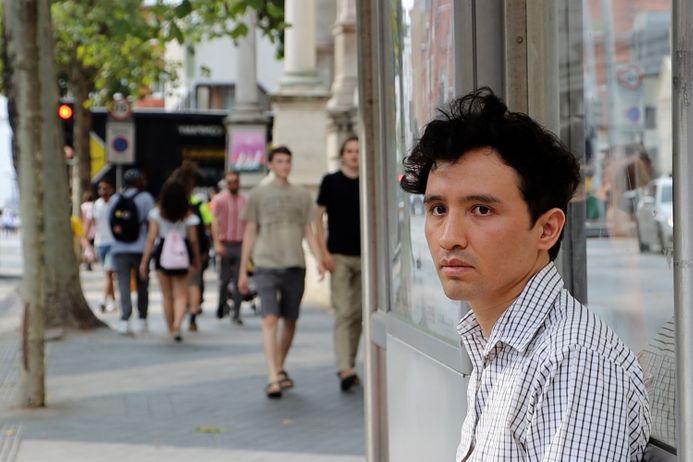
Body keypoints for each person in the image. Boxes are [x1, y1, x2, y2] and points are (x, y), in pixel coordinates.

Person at [399, 88, 650, 461]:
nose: (449, 237)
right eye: (438, 209)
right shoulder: (502, 344)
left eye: (481, 210)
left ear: (547, 229)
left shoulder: (574, 362)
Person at [238, 146, 325, 399]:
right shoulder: (258, 194)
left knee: (290, 320)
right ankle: (272, 376)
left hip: (295, 263)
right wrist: (243, 270)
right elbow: (250, 233)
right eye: (280, 161)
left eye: (288, 161)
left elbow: (309, 231)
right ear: (270, 164)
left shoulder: (301, 195)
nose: (285, 165)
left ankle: (279, 367)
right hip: (266, 264)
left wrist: (319, 259)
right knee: (269, 319)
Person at [315, 135, 363, 391]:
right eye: (350, 151)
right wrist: (322, 253)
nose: (354, 155)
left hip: (366, 257)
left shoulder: (368, 180)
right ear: (343, 154)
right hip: (339, 257)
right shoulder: (330, 181)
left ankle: (350, 363)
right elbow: (316, 218)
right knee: (344, 313)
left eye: (357, 151)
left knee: (358, 314)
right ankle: (344, 367)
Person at [140, 178, 201, 342]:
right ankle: (177, 325)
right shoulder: (189, 216)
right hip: (183, 253)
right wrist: (196, 259)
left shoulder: (156, 214)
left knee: (166, 295)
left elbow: (151, 238)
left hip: (162, 253)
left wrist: (145, 261)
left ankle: (169, 328)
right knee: (181, 294)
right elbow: (194, 240)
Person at [109, 169, 155, 335]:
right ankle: (142, 317)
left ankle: (124, 319)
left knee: (123, 284)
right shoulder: (146, 198)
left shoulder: (115, 199)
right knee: (142, 283)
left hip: (119, 248)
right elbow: (152, 224)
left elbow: (111, 223)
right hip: (141, 248)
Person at [171, 161, 213, 332]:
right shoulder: (198, 204)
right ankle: (192, 316)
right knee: (194, 283)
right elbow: (209, 225)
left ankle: (175, 321)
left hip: (172, 252)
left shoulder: (170, 202)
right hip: (195, 250)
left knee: (177, 286)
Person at [211, 170, 246, 324]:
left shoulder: (245, 201)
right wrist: (217, 243)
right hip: (225, 243)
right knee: (224, 279)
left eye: (235, 181)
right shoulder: (219, 200)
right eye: (229, 182)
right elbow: (214, 222)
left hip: (240, 244)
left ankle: (236, 312)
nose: (233, 185)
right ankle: (221, 305)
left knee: (239, 280)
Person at [89, 180, 117, 312]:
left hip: (113, 243)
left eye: (106, 188)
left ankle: (103, 300)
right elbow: (88, 226)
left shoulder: (116, 204)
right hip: (99, 243)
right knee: (108, 274)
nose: (103, 191)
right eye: (101, 188)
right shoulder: (95, 206)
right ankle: (113, 300)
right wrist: (87, 247)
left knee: (108, 272)